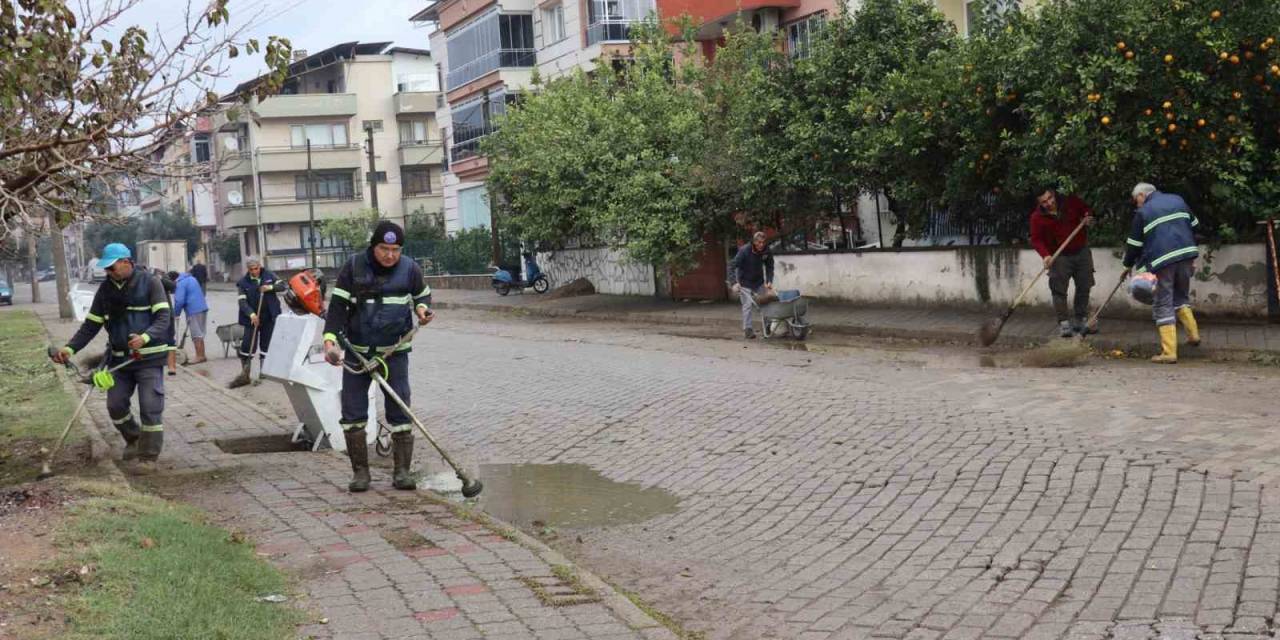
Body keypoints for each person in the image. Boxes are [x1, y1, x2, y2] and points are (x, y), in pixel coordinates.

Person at [322, 221, 433, 492]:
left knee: (400, 409)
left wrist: (422, 310)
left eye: (396, 249)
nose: (390, 255)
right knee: (353, 413)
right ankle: (361, 474)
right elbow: (337, 307)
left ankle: (402, 473)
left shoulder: (410, 268)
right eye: (384, 249)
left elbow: (423, 296)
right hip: (357, 353)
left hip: (394, 352)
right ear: (374, 246)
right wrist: (329, 341)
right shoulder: (354, 267)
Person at [50, 243, 173, 473]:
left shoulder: (151, 283)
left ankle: (148, 457)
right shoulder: (105, 290)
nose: (108, 272)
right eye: (106, 269)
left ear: (127, 262)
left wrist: (145, 337)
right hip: (119, 361)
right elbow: (91, 326)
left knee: (150, 406)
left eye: (112, 268)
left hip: (148, 358)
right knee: (115, 406)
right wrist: (69, 349)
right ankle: (134, 438)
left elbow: (164, 318)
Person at [1123, 182, 1201, 364]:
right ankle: (1193, 335)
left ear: (1142, 195)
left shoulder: (1144, 212)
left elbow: (1134, 245)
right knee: (1181, 296)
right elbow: (1195, 225)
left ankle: (1169, 352)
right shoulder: (1178, 200)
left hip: (1162, 261)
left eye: (1136, 200)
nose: (1137, 204)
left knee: (1163, 303)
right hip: (1186, 255)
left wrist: (1127, 264)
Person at [1029, 188, 1097, 337]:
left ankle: (1080, 319)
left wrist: (1087, 217)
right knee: (1058, 290)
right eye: (1044, 202)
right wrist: (1046, 256)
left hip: (1081, 251)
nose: (1049, 203)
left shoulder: (1070, 202)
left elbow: (1087, 210)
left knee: (1084, 286)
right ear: (1039, 203)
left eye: (1050, 198)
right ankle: (1064, 323)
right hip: (1058, 256)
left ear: (1053, 194)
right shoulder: (1037, 218)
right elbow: (1036, 239)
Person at [236, 256, 283, 372]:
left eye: (256, 268)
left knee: (266, 343)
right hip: (252, 318)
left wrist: (270, 287)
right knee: (248, 344)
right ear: (248, 269)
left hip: (269, 316)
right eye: (251, 269)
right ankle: (246, 371)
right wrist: (251, 315)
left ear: (259, 267)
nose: (254, 272)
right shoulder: (243, 282)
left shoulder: (269, 275)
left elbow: (283, 286)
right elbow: (242, 302)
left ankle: (264, 371)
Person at [731, 232, 775, 340]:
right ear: (754, 242)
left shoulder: (766, 250)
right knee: (747, 305)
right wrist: (734, 282)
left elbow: (770, 265)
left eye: (763, 242)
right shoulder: (744, 251)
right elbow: (732, 265)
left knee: (765, 303)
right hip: (745, 282)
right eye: (759, 242)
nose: (761, 245)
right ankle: (748, 330)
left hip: (759, 281)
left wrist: (769, 280)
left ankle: (767, 327)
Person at [173, 267, 209, 364]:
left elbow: (179, 300)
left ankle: (199, 356)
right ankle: (202, 355)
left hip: (193, 310)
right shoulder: (191, 278)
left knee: (196, 333)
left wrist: (176, 313)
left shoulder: (180, 283)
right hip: (203, 307)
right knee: (200, 333)